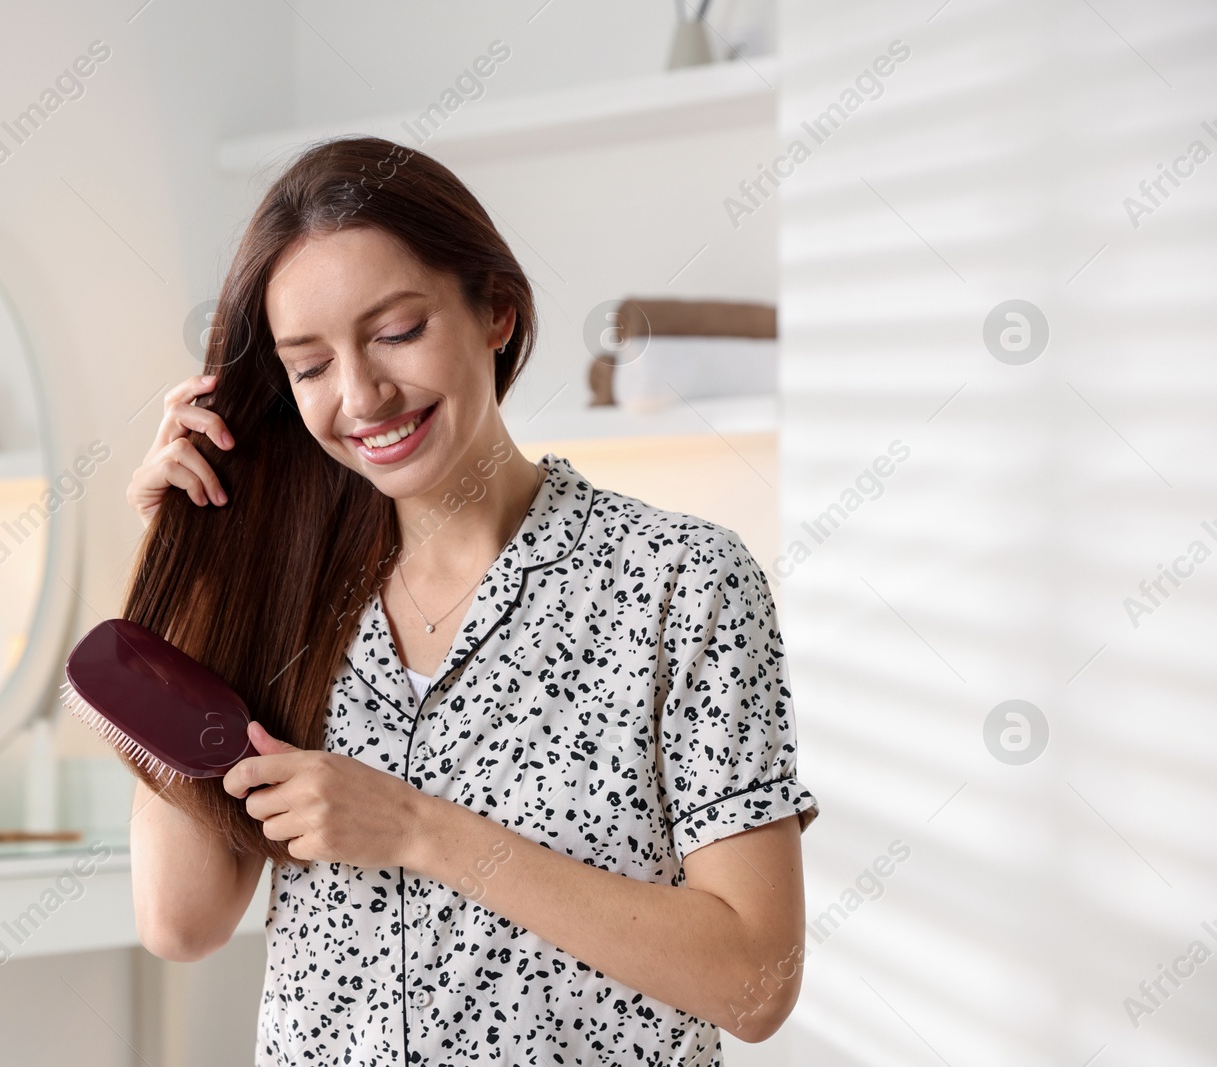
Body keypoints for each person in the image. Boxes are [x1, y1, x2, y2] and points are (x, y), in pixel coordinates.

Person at [122, 135, 819, 1066]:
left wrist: (418, 829)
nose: (362, 394)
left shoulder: (680, 582)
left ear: (495, 310)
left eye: (396, 331)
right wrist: (197, 565)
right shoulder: (286, 602)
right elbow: (181, 919)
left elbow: (756, 981)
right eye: (310, 364)